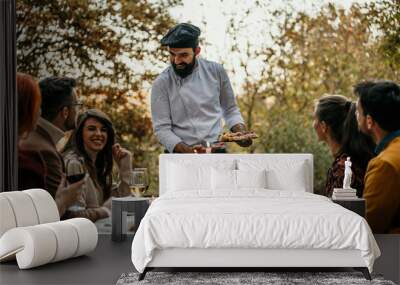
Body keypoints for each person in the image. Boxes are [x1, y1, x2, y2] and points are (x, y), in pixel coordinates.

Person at [151, 23, 252, 153]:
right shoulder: (161, 83)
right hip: (179, 155)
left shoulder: (216, 71)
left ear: (197, 51)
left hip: (217, 152)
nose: (176, 61)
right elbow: (162, 129)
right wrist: (189, 152)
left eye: (183, 55)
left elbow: (230, 110)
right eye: (172, 54)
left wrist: (241, 132)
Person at [17, 73, 83, 216]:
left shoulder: (38, 140)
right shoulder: (44, 152)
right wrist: (102, 211)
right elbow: (51, 216)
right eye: (76, 106)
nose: (78, 111)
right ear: (65, 112)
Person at [62, 109, 132, 222]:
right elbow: (74, 216)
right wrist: (105, 210)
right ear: (80, 133)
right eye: (91, 129)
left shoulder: (97, 165)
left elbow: (124, 200)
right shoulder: (74, 164)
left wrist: (125, 167)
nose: (99, 134)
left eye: (103, 130)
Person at [355, 80, 400, 233]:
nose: (356, 116)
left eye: (358, 112)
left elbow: (369, 227)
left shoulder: (385, 164)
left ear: (369, 121)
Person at [313, 95, 375, 197]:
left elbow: (340, 211)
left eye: (314, 118)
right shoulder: (352, 158)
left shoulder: (342, 168)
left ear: (323, 126)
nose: (313, 124)